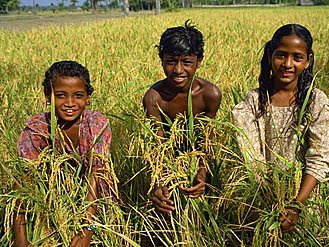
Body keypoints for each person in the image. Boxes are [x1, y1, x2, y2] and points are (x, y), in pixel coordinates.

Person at [232, 24, 329, 233]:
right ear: (270, 55)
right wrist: (272, 200)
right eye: (281, 55)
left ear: (308, 61)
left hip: (304, 199)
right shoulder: (254, 102)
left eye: (297, 57)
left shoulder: (315, 102)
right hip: (261, 198)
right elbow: (252, 158)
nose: (288, 64)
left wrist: (296, 204)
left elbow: (319, 156)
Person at [13, 61, 118, 247]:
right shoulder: (38, 128)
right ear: (48, 96)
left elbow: (97, 176)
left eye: (78, 96)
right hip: (49, 206)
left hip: (94, 206)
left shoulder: (97, 125)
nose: (70, 103)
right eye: (61, 96)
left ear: (88, 97)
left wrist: (87, 230)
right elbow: (23, 179)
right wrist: (20, 237)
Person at [143, 20, 222, 215]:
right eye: (171, 61)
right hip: (168, 165)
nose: (178, 70)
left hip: (199, 161)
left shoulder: (209, 95)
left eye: (186, 62)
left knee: (202, 216)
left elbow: (207, 142)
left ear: (199, 61)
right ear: (161, 60)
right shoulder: (154, 98)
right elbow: (157, 146)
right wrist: (159, 183)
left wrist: (202, 174)